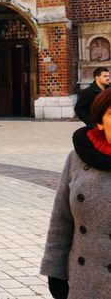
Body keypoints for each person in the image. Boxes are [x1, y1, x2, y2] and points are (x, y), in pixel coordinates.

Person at [41, 89, 111, 299]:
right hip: (85, 279)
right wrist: (55, 272)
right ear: (100, 121)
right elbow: (61, 220)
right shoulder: (77, 158)